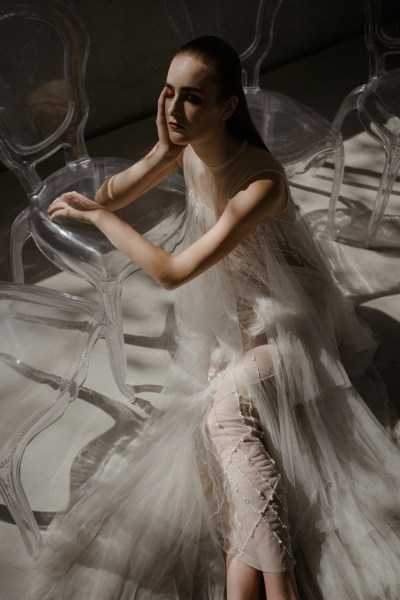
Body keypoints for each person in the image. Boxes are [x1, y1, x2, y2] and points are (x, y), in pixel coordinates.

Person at [32, 36, 399, 600]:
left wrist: (101, 219)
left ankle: (280, 588)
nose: (176, 110)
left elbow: (174, 272)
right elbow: (115, 191)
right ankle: (253, 582)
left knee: (221, 420)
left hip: (288, 321)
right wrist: (154, 154)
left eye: (193, 99)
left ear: (228, 107)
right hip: (236, 319)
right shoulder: (187, 143)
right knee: (221, 439)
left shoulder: (260, 182)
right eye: (169, 94)